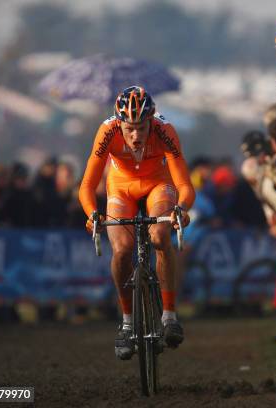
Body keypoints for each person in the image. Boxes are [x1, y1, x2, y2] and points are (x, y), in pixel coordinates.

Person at [78, 86, 195, 360]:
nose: (135, 135)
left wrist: (182, 209)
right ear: (119, 123)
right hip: (121, 188)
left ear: (151, 122)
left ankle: (169, 316)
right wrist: (91, 213)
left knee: (160, 235)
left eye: (142, 128)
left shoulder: (165, 130)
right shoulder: (107, 131)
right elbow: (87, 185)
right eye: (129, 128)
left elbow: (184, 184)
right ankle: (127, 322)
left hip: (158, 185)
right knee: (122, 250)